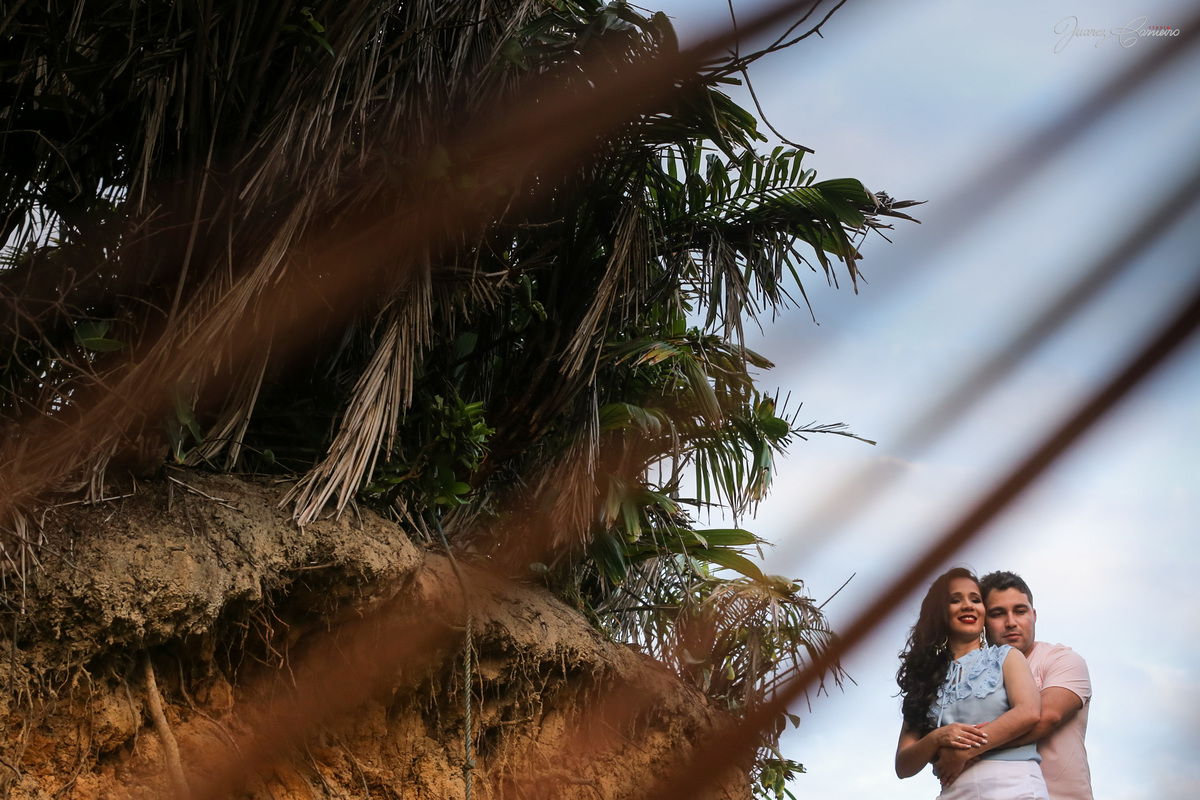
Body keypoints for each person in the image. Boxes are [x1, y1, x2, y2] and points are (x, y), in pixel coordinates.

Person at [895, 567, 1048, 799]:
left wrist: (962, 751)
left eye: (975, 599)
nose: (968, 605)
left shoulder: (1006, 657)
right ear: (939, 613)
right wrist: (939, 737)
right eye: (955, 600)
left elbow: (1029, 712)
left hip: (1016, 788)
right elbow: (903, 766)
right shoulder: (925, 681)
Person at [977, 570, 1093, 800]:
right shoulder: (972, 677)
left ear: (1034, 615)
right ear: (983, 622)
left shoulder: (1063, 660)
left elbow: (1045, 718)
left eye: (1020, 611)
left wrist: (967, 750)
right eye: (998, 614)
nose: (1011, 622)